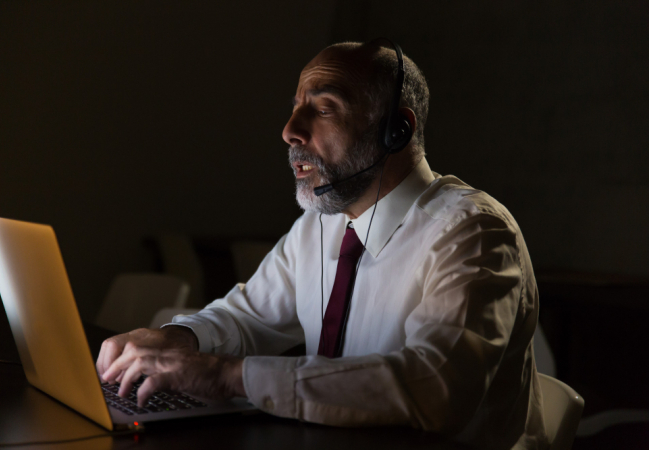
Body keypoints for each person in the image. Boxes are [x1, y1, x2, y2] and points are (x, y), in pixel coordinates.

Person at [98, 41, 548, 449]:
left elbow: (434, 387)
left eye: (324, 108)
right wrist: (178, 339)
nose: (290, 131)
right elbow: (247, 315)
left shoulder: (473, 233)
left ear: (397, 129)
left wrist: (226, 376)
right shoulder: (320, 224)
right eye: (295, 108)